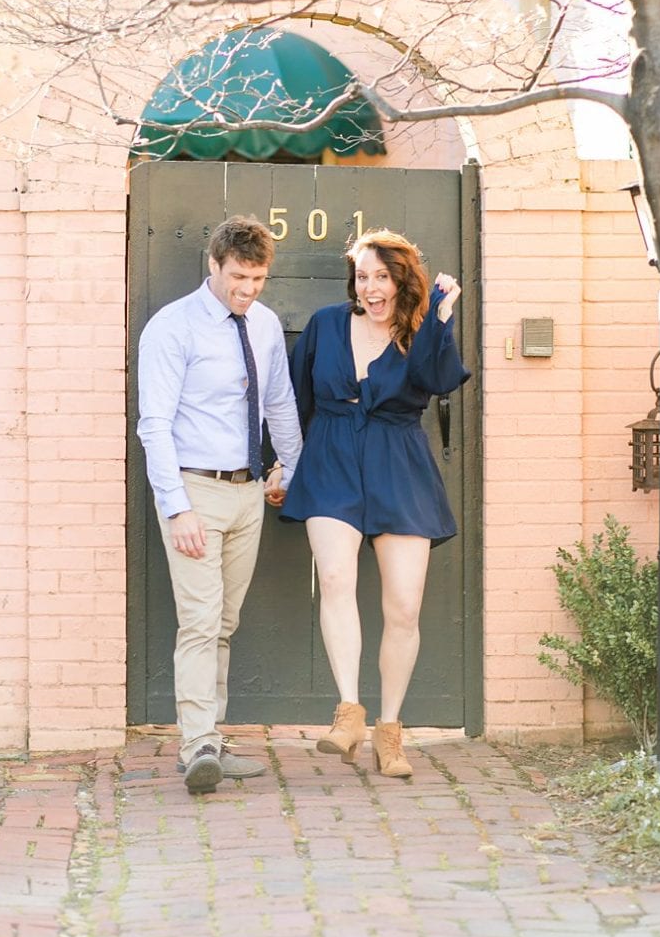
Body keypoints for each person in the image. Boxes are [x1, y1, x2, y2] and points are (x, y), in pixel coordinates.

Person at [277, 229, 469, 779]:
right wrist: (282, 465)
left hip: (399, 466)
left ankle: (390, 730)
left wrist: (440, 316)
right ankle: (348, 714)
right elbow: (295, 399)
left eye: (382, 276)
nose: (370, 288)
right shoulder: (326, 326)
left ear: (401, 280)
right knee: (335, 581)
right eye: (362, 276)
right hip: (331, 460)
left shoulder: (420, 331)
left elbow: (438, 380)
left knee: (403, 606)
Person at [136, 215, 303, 794]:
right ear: (214, 264)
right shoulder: (173, 327)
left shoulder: (262, 326)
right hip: (195, 491)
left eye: (258, 278)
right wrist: (176, 506)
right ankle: (198, 746)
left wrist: (291, 466)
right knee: (201, 622)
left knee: (224, 622)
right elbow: (154, 424)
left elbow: (278, 402)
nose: (248, 288)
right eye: (238, 276)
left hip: (248, 492)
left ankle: (210, 736)